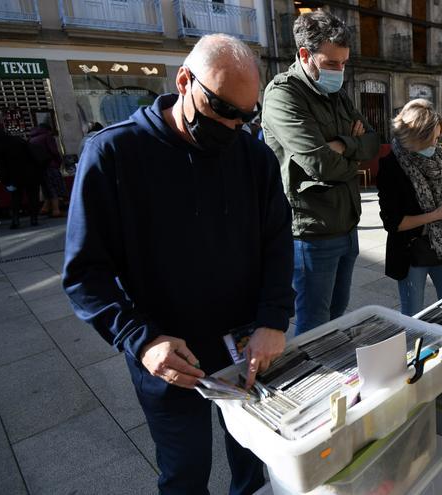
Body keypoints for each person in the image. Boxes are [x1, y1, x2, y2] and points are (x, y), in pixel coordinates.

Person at [62, 34, 294, 494]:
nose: (233, 127)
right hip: (170, 353)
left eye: (246, 117)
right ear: (184, 81)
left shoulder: (254, 155)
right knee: (185, 472)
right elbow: (85, 272)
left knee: (252, 462)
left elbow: (277, 242)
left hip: (244, 347)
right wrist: (142, 341)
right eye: (222, 110)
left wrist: (273, 318)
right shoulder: (114, 154)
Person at [262, 10, 379, 334]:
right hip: (310, 232)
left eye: (343, 63)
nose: (339, 71)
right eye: (331, 63)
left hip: (346, 223)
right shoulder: (283, 94)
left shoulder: (336, 95)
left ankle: (332, 379)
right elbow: (321, 164)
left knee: (337, 316)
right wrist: (351, 146)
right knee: (313, 324)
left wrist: (342, 144)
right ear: (304, 55)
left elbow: (372, 142)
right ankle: (310, 381)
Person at [378, 99, 442, 316]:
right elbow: (394, 223)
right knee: (413, 315)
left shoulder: (437, 157)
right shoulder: (392, 165)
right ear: (416, 137)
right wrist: (437, 214)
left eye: (438, 138)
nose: (436, 145)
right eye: (432, 139)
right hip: (411, 249)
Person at [0, 125, 43, 229]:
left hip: (14, 175)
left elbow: (1, 166)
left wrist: (5, 180)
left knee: (16, 197)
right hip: (30, 172)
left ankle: (15, 219)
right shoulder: (18, 140)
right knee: (33, 196)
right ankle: (34, 218)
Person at [28, 122, 65, 217]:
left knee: (46, 187)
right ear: (49, 129)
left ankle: (45, 208)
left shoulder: (31, 139)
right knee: (54, 187)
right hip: (50, 165)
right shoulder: (47, 136)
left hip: (39, 167)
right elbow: (54, 151)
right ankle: (56, 210)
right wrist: (59, 161)